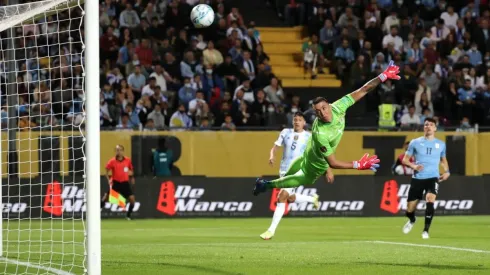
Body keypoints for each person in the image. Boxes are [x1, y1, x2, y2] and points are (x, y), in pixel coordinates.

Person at [253, 61, 401, 196]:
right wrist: (357, 164)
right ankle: (265, 185)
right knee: (296, 181)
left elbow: (363, 90)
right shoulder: (321, 133)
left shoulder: (338, 106)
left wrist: (383, 76)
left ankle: (266, 185)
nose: (323, 113)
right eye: (318, 112)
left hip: (308, 153)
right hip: (314, 166)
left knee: (288, 182)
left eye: (324, 108)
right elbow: (333, 163)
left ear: (329, 105)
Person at [260, 112, 334, 240]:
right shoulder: (285, 132)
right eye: (295, 120)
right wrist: (272, 156)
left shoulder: (309, 137)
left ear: (304, 123)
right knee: (290, 198)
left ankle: (270, 231)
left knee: (281, 197)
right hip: (283, 170)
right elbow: (275, 147)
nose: (297, 122)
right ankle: (312, 199)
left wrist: (328, 170)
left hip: (298, 170)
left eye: (299, 120)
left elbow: (321, 154)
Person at [401, 118, 450, 239]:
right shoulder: (415, 142)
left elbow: (443, 160)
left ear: (435, 128)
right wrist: (414, 166)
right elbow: (405, 160)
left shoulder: (441, 144)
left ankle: (425, 230)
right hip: (418, 178)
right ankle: (412, 220)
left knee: (430, 199)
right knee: (409, 209)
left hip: (433, 177)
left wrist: (447, 171)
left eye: (431, 125)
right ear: (424, 127)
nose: (428, 126)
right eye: (426, 124)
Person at [100, 145, 136, 220]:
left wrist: (132, 177)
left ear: (123, 151)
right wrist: (108, 179)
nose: (118, 152)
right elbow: (106, 171)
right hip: (115, 183)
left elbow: (131, 169)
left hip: (125, 183)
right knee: (105, 198)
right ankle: (97, 212)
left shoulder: (127, 160)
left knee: (132, 199)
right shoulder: (112, 161)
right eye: (117, 150)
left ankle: (128, 216)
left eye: (120, 150)